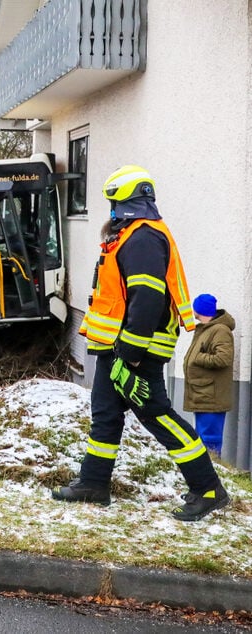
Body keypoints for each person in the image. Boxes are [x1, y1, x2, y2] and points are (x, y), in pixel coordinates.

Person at [52, 165, 229, 521]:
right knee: (105, 415)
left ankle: (207, 488)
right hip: (113, 348)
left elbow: (146, 299)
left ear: (126, 202)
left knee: (157, 414)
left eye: (113, 203)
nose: (111, 211)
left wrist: (130, 354)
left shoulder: (144, 238)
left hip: (135, 352)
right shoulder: (133, 235)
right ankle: (94, 483)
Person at [183, 293, 235, 455]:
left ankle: (213, 473)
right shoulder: (207, 329)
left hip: (211, 396)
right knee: (202, 438)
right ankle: (205, 473)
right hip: (203, 394)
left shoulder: (220, 330)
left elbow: (223, 358)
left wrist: (197, 357)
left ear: (200, 310)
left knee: (209, 439)